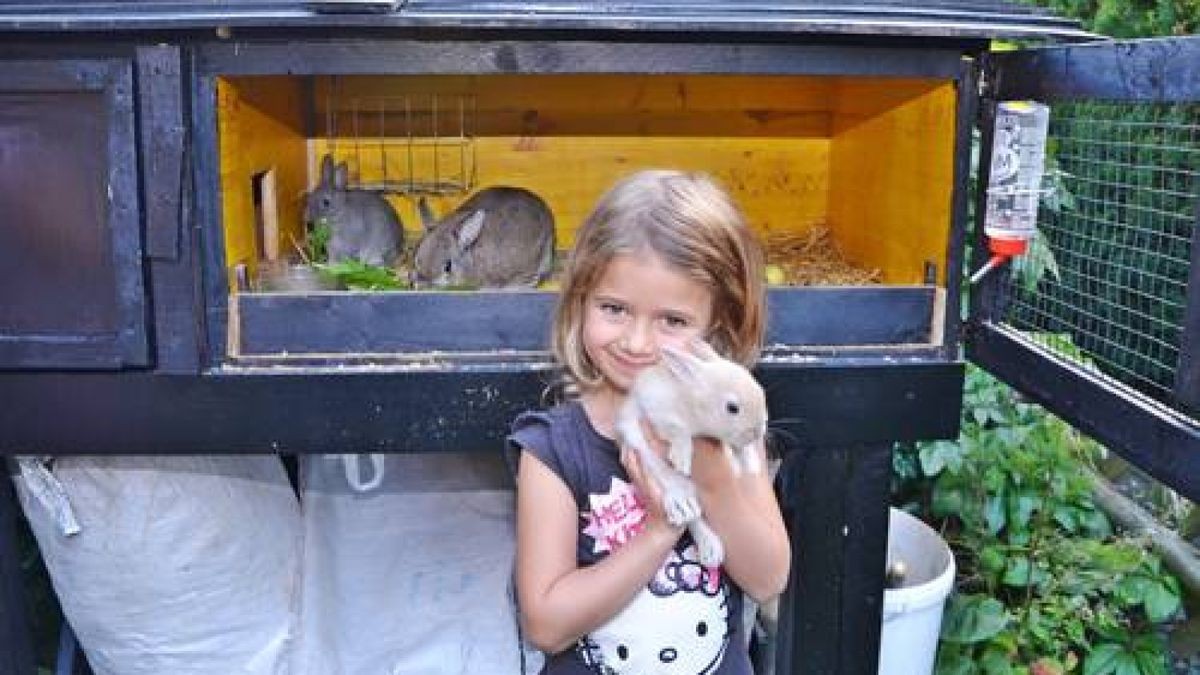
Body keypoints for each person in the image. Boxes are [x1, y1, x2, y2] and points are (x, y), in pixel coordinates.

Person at [508, 169, 791, 674]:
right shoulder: (552, 450)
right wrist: (660, 531)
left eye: (673, 321)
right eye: (614, 309)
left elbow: (768, 578)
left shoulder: (730, 428)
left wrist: (712, 478)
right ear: (580, 302)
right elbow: (546, 625)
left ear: (716, 325)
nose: (637, 343)